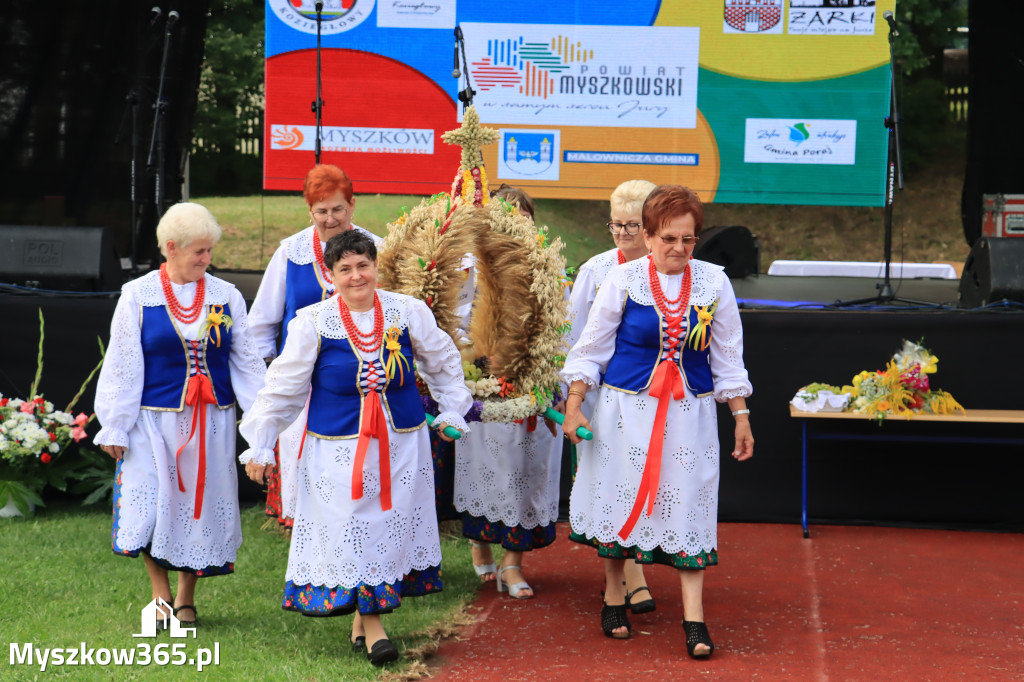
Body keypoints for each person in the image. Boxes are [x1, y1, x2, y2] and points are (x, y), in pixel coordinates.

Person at [239, 230, 472, 666]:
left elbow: (442, 361)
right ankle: (376, 629)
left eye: (363, 265)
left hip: (402, 446)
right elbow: (283, 389)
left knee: (386, 529)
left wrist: (453, 410)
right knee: (351, 530)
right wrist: (261, 443)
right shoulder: (312, 321)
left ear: (376, 267)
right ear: (331, 275)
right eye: (344, 268)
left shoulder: (407, 311)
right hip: (337, 452)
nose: (355, 275)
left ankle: (363, 624)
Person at [561, 185, 754, 657]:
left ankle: (694, 618)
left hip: (690, 415)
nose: (679, 249)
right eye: (668, 238)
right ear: (647, 237)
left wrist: (742, 416)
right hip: (627, 412)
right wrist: (574, 403)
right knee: (621, 496)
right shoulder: (623, 279)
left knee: (690, 501)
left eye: (688, 240)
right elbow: (591, 349)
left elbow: (728, 357)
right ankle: (613, 595)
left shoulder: (714, 282)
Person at [94, 202, 266, 628]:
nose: (207, 260)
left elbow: (245, 363)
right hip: (152, 422)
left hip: (211, 423)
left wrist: (264, 425)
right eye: (199, 252)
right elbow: (123, 362)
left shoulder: (226, 296)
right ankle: (160, 594)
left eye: (209, 251)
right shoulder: (138, 293)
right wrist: (114, 422)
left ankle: (186, 598)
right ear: (170, 248)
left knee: (197, 507)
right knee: (152, 505)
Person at [247, 164, 382, 527]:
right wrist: (274, 373)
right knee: (303, 465)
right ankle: (308, 541)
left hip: (360, 384)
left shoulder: (376, 251)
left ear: (352, 206)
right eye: (321, 211)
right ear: (309, 211)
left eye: (338, 209)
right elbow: (260, 324)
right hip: (303, 385)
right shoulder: (290, 253)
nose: (330, 218)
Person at [455, 184, 562, 599]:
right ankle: (479, 542)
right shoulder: (468, 270)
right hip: (484, 386)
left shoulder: (547, 271)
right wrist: (479, 364)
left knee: (526, 473)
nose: (512, 229)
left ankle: (513, 563)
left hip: (533, 386)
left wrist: (546, 376)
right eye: (503, 220)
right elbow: (454, 324)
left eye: (520, 220)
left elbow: (561, 328)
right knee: (486, 472)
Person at [565, 179, 657, 615]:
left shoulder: (677, 270)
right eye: (615, 224)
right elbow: (575, 336)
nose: (622, 233)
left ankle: (635, 567)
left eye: (632, 225)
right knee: (611, 485)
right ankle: (623, 578)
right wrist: (574, 399)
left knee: (645, 483)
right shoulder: (596, 270)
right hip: (603, 396)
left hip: (655, 399)